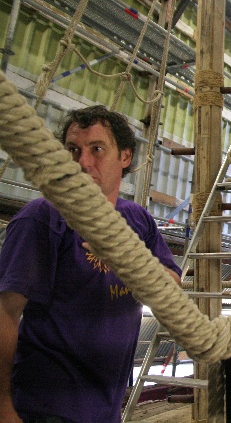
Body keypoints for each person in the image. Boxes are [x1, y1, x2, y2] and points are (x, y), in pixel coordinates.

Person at [0, 106, 183, 423]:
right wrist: (3, 406)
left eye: (96, 149)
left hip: (106, 407)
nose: (83, 162)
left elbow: (172, 289)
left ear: (125, 157)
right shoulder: (41, 219)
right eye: (73, 150)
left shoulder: (138, 221)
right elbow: (5, 312)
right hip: (43, 409)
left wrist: (131, 261)